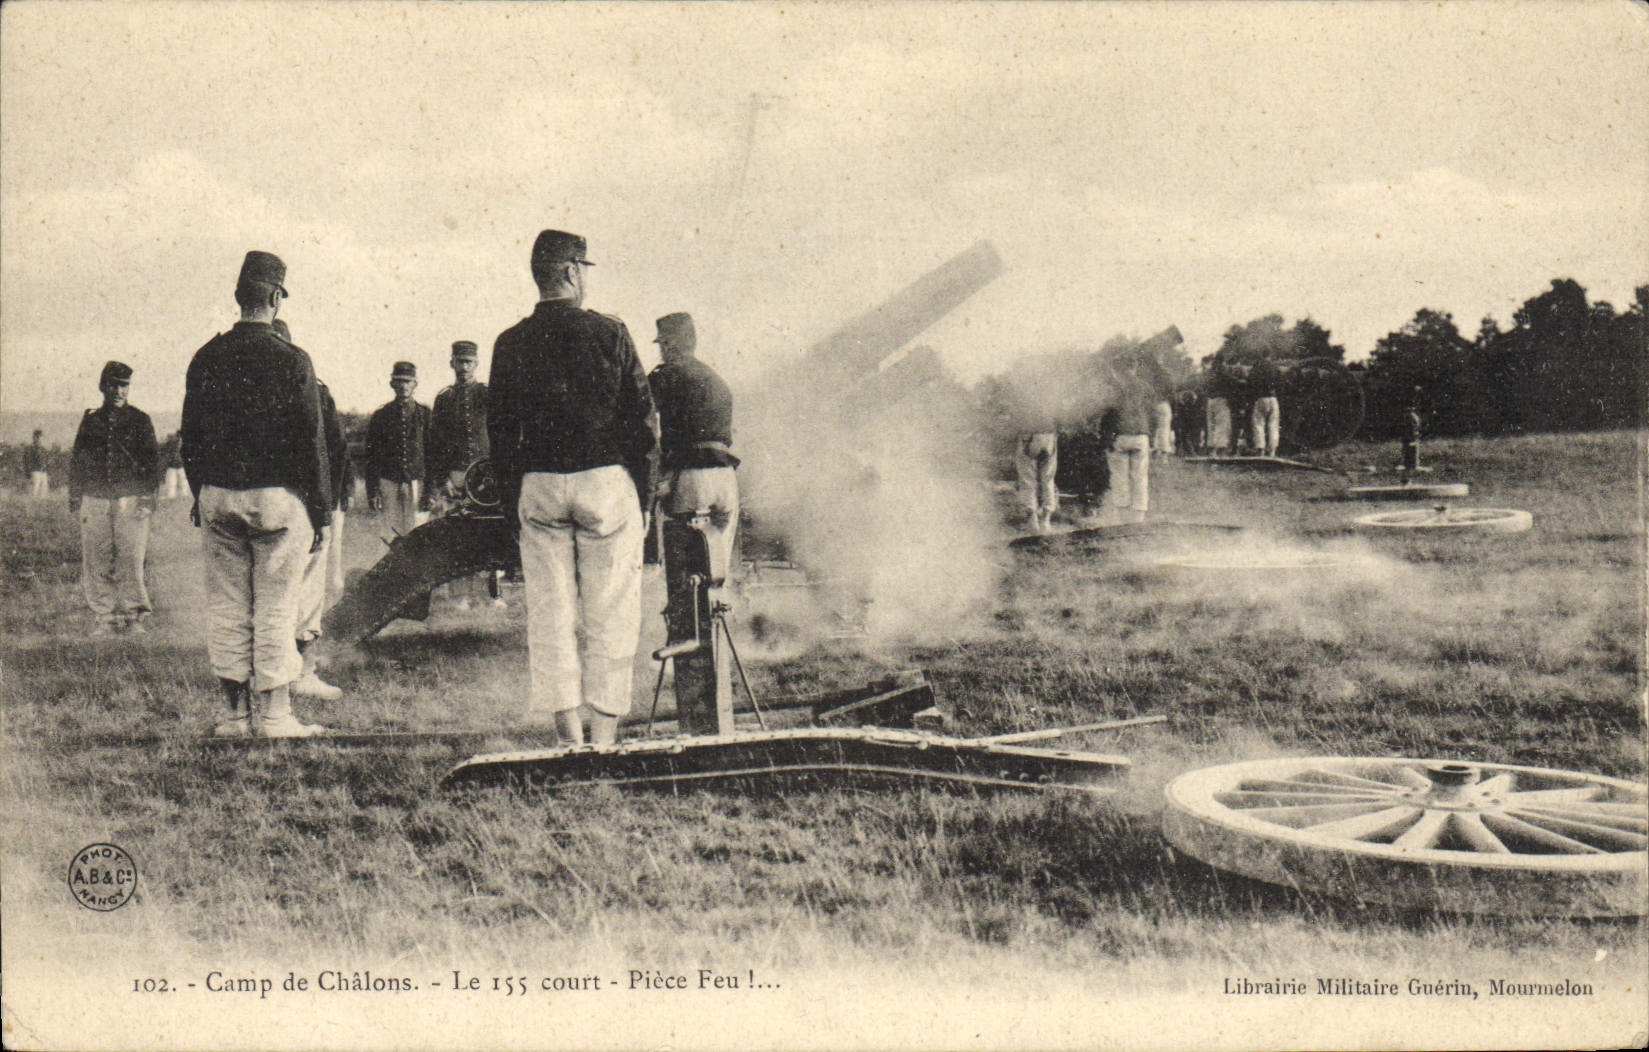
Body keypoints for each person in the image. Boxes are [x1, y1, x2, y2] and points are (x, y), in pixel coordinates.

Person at [488, 229, 658, 746]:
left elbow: (500, 434)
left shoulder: (509, 342)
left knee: (550, 615)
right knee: (611, 612)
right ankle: (602, 738)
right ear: (570, 271)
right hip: (605, 483)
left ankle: (568, 738)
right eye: (583, 268)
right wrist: (646, 497)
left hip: (538, 486)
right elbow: (642, 422)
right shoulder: (610, 332)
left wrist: (513, 503)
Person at [181, 250, 331, 738]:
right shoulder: (293, 359)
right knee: (276, 608)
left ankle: (234, 718)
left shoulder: (206, 357)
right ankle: (275, 717)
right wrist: (322, 513)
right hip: (277, 501)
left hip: (218, 496)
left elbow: (190, 439)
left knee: (227, 608)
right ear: (276, 299)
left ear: (237, 296)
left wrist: (201, 494)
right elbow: (311, 443)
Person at [273, 319, 346, 702]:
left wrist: (326, 505)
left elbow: (334, 449)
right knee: (292, 593)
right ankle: (288, 674)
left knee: (301, 593)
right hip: (287, 505)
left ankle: (298, 671)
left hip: (303, 504)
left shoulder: (316, 391)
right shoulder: (307, 386)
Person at [70, 361, 161, 635]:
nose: (120, 391)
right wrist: (76, 496)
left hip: (130, 499)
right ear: (103, 387)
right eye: (114, 385)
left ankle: (135, 617)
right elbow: (78, 459)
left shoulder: (140, 420)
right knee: (96, 559)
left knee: (131, 559)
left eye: (125, 386)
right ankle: (105, 617)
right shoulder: (91, 419)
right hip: (95, 498)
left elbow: (153, 463)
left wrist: (147, 499)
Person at [649, 312, 739, 570]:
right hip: (725, 480)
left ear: (668, 345)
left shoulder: (665, 375)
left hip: (689, 478)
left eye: (663, 344)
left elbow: (638, 421)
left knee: (681, 569)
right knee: (715, 566)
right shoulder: (716, 379)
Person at [426, 340, 501, 609]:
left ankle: (492, 594)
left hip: (485, 475)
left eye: (469, 362)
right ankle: (460, 595)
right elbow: (435, 443)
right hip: (456, 474)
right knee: (458, 535)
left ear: (477, 364)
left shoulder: (488, 394)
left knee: (489, 532)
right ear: (452, 363)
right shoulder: (445, 399)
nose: (464, 367)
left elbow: (499, 432)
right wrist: (442, 478)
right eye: (460, 362)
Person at [365, 361, 431, 534]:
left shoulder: (425, 415)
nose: (403, 386)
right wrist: (373, 491)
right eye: (399, 381)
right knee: (390, 533)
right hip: (389, 483)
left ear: (415, 384)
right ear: (392, 384)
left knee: (417, 532)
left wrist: (430, 491)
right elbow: (372, 457)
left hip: (416, 483)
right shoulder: (381, 415)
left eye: (407, 381)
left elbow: (432, 454)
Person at [1107, 354, 1155, 523]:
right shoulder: (1145, 387)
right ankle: (1138, 517)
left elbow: (1108, 412)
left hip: (1120, 435)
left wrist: (1106, 436)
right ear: (1134, 367)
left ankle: (1122, 517)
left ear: (1118, 369)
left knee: (1119, 478)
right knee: (1140, 477)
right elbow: (1152, 412)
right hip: (1141, 434)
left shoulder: (1114, 387)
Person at [1249, 356, 1282, 457]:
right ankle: (1272, 451)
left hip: (1260, 397)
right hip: (1273, 398)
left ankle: (1260, 450)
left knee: (1258, 424)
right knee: (1273, 424)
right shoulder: (1275, 366)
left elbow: (1250, 381)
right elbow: (1281, 381)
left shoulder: (1256, 367)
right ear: (1269, 356)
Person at [159, 432, 186, 499]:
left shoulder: (170, 447)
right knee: (175, 482)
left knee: (175, 482)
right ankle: (176, 494)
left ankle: (176, 494)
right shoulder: (171, 447)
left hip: (175, 466)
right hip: (175, 466)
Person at [25, 429, 50, 497]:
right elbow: (28, 461)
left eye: (41, 437)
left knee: (43, 493)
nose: (40, 439)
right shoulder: (30, 448)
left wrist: (47, 470)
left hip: (43, 472)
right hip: (35, 471)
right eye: (38, 437)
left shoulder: (43, 449)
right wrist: (28, 473)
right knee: (35, 491)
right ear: (35, 437)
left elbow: (46, 461)